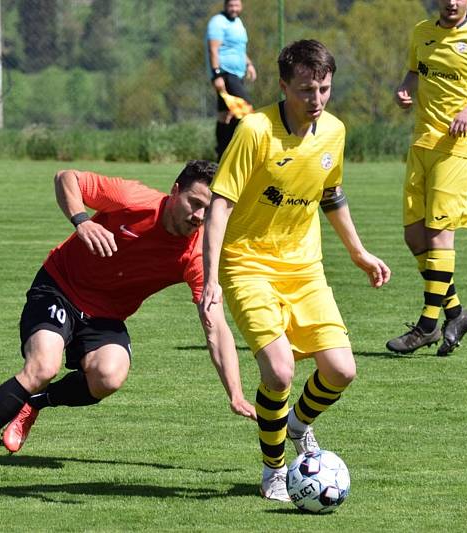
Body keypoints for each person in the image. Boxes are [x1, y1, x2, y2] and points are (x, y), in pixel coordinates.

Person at [0, 160, 256, 477]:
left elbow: (215, 327)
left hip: (105, 315)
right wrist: (82, 221)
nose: (199, 216)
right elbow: (66, 178)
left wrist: (235, 393)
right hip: (60, 287)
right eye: (195, 203)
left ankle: (35, 401)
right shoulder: (135, 199)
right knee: (43, 366)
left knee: (109, 376)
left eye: (208, 210)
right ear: (175, 191)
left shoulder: (197, 255)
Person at [200, 40, 391, 502]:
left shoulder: (334, 132)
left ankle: (297, 423)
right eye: (306, 90)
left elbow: (331, 194)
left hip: (305, 268)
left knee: (342, 370)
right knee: (281, 373)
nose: (317, 99)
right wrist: (210, 280)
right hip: (247, 265)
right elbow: (220, 205)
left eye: (324, 88)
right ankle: (274, 470)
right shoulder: (254, 130)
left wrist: (359, 253)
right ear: (284, 86)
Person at [386, 0, 467, 356]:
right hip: (421, 143)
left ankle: (427, 325)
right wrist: (405, 90)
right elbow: (414, 71)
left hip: (460, 148)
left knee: (439, 234)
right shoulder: (421, 32)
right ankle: (456, 313)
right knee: (414, 236)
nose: (451, 2)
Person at [206, 0, 257, 160]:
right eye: (231, 5)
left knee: (225, 114)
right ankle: (239, 150)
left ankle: (222, 153)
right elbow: (213, 49)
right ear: (225, 5)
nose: (234, 9)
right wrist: (217, 75)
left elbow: (238, 49)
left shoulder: (238, 23)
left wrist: (248, 64)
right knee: (245, 110)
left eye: (237, 5)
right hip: (226, 74)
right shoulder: (218, 22)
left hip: (237, 73)